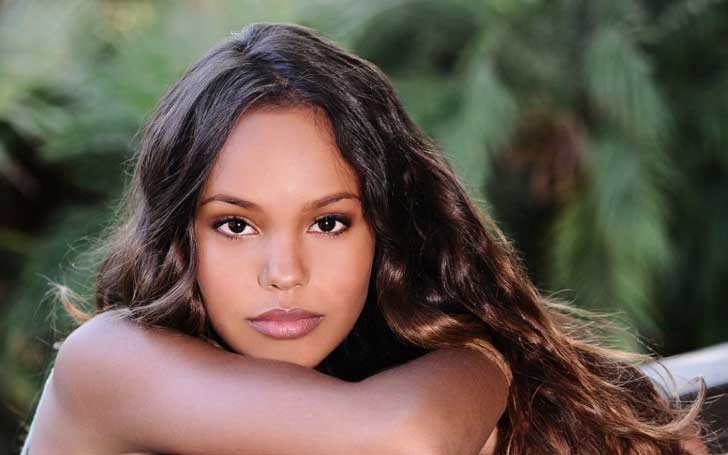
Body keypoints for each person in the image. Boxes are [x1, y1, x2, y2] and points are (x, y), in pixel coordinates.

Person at [21, 22, 708, 454]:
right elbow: (407, 441)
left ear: (388, 227)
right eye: (235, 224)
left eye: (328, 222)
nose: (284, 271)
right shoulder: (107, 363)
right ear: (182, 234)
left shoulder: (385, 376)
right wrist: (490, 356)